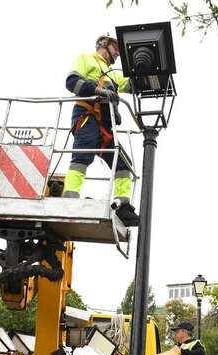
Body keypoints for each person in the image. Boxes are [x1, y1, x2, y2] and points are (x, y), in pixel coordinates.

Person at [64, 35, 140, 226]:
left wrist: (147, 74)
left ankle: (123, 206)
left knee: (122, 163)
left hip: (106, 125)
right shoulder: (86, 59)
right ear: (104, 45)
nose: (118, 54)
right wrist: (97, 91)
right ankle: (70, 199)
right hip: (87, 115)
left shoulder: (113, 73)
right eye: (116, 49)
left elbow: (131, 85)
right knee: (83, 155)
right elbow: (72, 82)